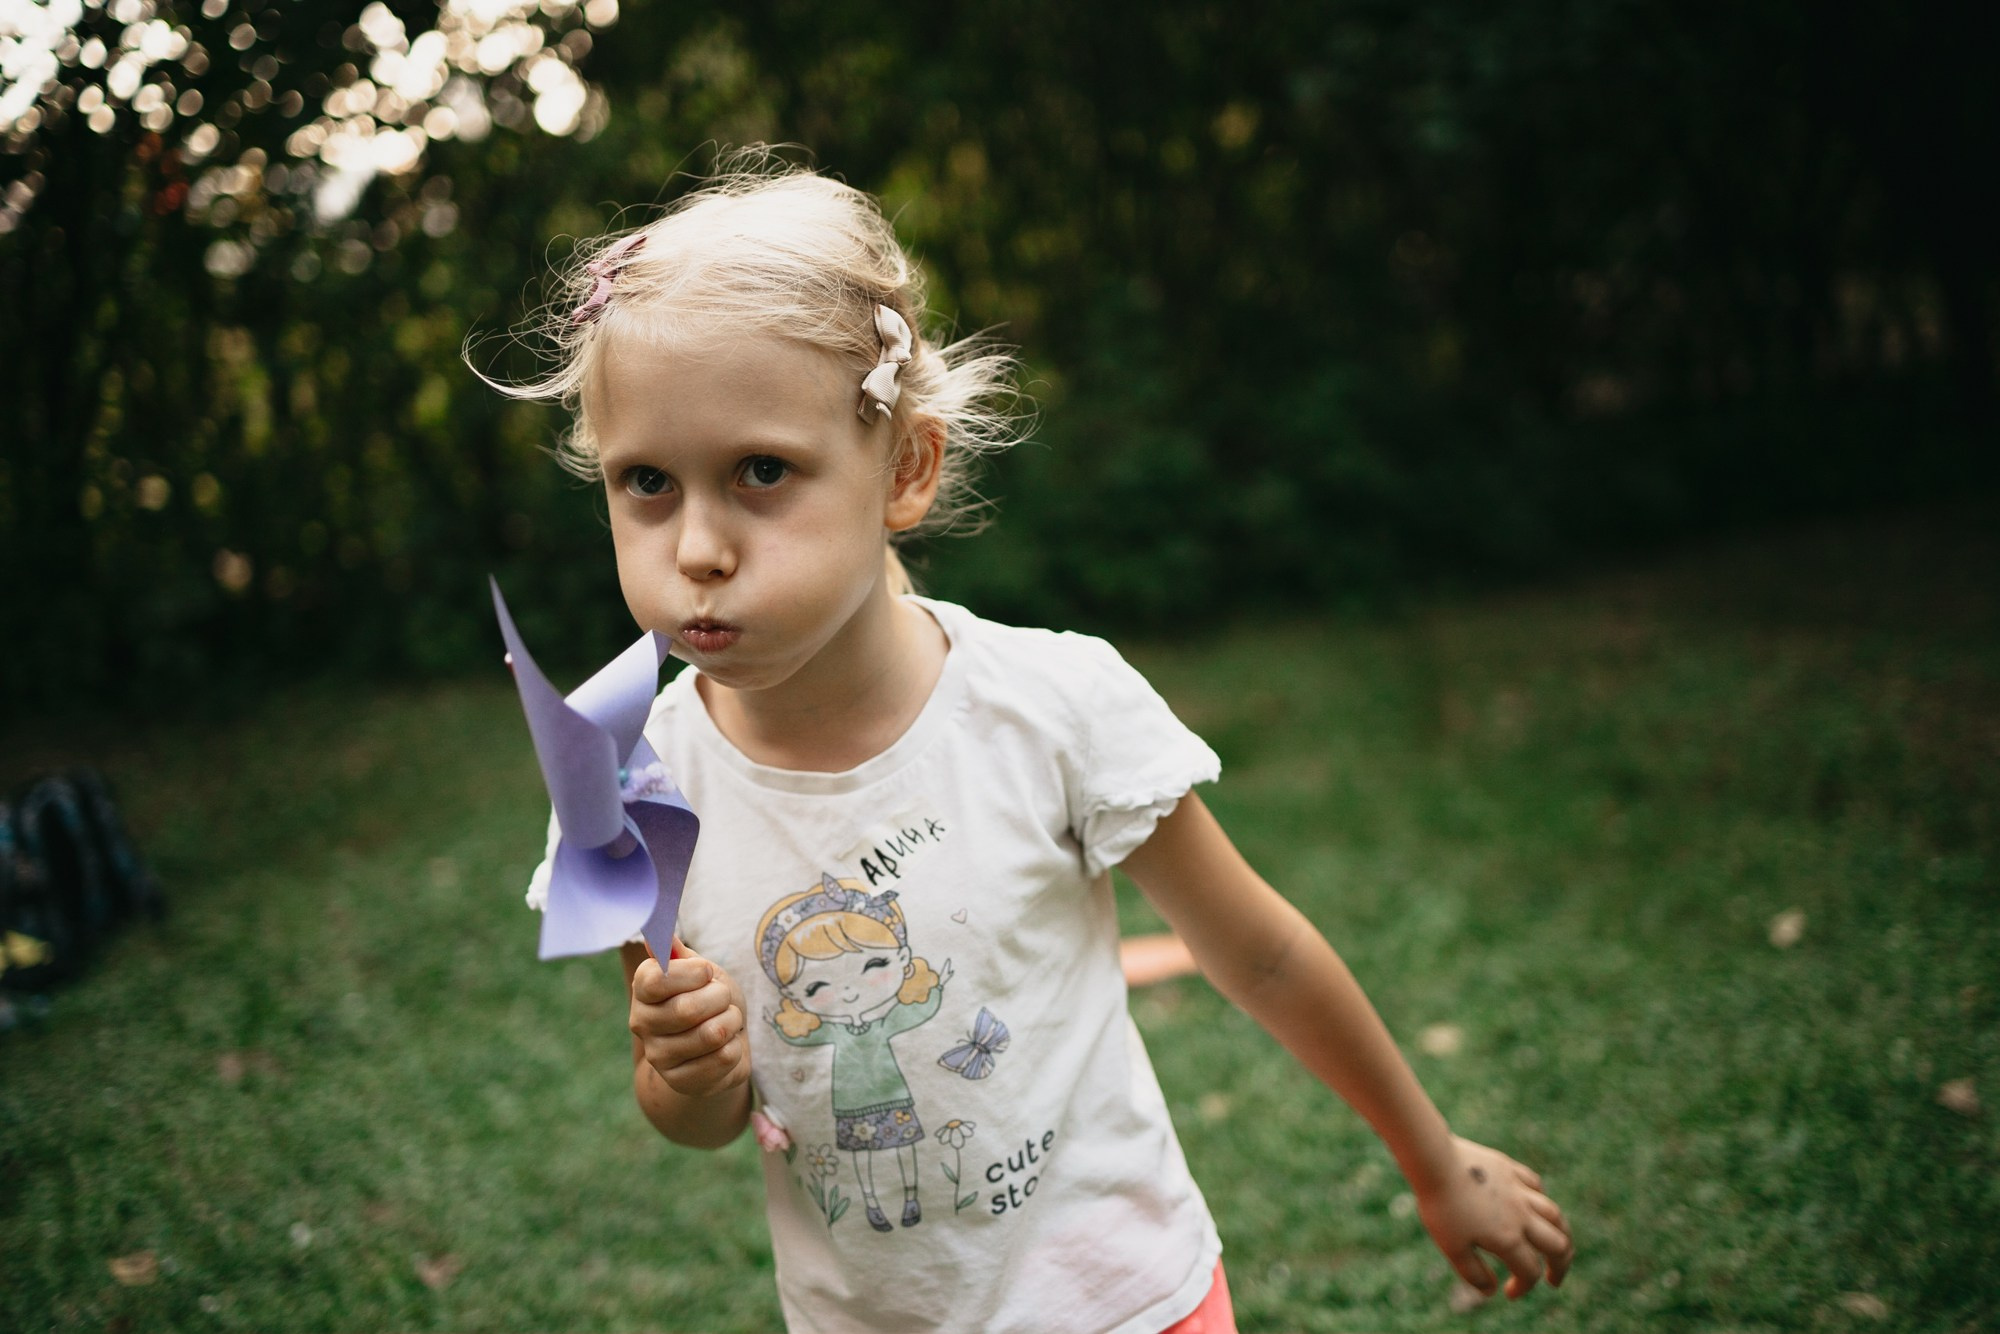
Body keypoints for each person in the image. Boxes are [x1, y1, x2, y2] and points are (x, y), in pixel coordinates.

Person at [498, 151, 1574, 1334]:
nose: (697, 546)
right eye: (645, 480)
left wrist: (1432, 1156)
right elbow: (697, 1116)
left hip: (1132, 1304)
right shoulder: (630, 788)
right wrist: (682, 1070)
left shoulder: (1052, 705)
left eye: (762, 471)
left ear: (903, 466)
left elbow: (1257, 953)